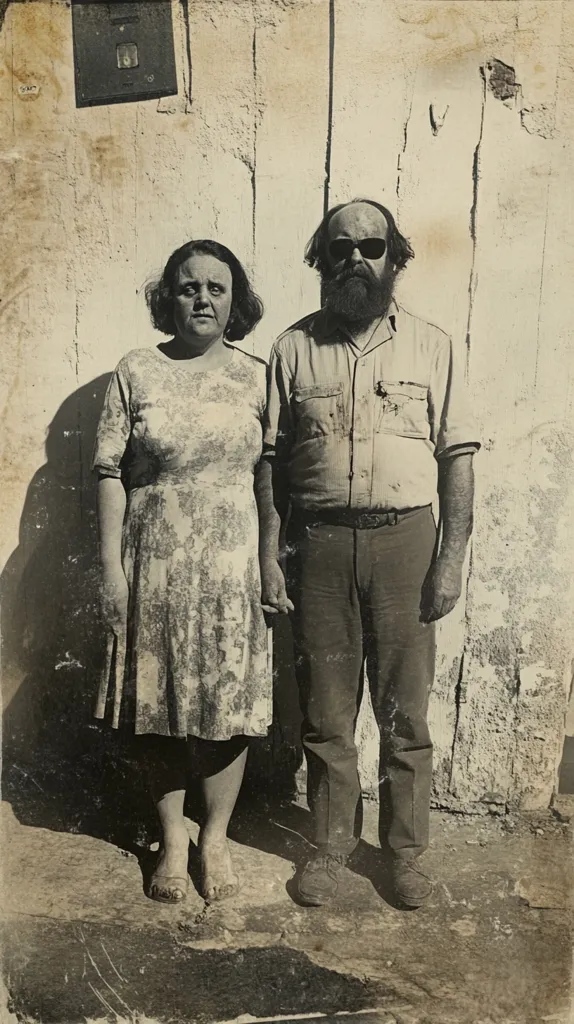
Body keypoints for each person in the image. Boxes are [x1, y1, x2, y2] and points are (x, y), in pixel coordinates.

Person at [263, 199, 480, 909]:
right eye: (341, 248)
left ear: (396, 258)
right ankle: (330, 848)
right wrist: (271, 553)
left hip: (405, 543)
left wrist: (450, 560)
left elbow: (457, 459)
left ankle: (404, 856)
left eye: (372, 246)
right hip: (319, 545)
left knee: (404, 715)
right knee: (326, 712)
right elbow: (271, 463)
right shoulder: (292, 349)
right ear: (322, 260)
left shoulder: (433, 346)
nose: (356, 259)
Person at [92, 239, 291, 905]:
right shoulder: (136, 370)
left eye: (216, 287)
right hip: (155, 563)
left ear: (236, 302)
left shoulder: (259, 377)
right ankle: (173, 840)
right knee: (157, 705)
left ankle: (217, 838)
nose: (202, 299)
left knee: (229, 706)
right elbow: (108, 473)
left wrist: (269, 562)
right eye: (188, 287)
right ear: (167, 298)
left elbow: (269, 478)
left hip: (233, 565)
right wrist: (111, 570)